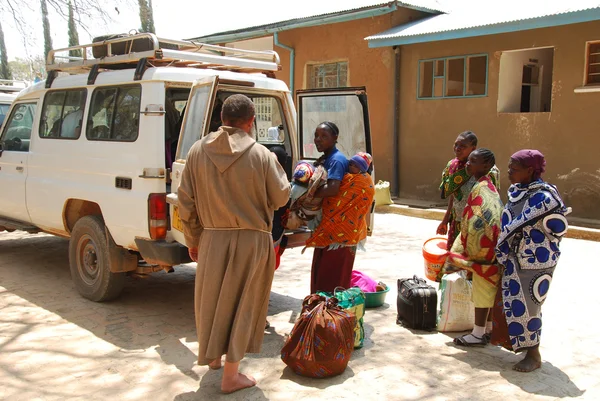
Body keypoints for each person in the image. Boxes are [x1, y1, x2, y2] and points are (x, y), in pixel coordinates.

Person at [177, 94, 290, 393]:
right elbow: (281, 198)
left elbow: (184, 202)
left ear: (222, 119)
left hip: (212, 237)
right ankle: (231, 376)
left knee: (212, 300)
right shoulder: (262, 155)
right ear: (251, 121)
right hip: (252, 240)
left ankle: (213, 358)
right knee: (245, 304)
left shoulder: (197, 151)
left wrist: (193, 238)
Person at [491, 149, 569, 372]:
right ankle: (520, 345)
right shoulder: (516, 191)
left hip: (535, 261)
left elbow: (557, 228)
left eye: (514, 169)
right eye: (510, 167)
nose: (509, 172)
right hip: (513, 258)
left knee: (530, 306)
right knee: (513, 303)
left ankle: (534, 355)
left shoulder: (546, 197)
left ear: (530, 170)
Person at [441, 148, 503, 346]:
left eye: (473, 161)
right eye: (468, 161)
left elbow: (484, 218)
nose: (468, 164)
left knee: (482, 291)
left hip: (485, 251)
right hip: (488, 248)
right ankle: (487, 330)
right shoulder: (483, 186)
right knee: (487, 290)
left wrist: (470, 252)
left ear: (485, 166)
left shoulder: (485, 189)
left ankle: (477, 334)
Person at [307, 126, 375, 293]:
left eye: (324, 136)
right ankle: (322, 313)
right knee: (325, 275)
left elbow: (333, 190)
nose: (318, 139)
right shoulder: (328, 158)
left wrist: (308, 194)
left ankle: (329, 314)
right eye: (316, 135)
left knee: (331, 279)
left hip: (339, 232)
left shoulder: (336, 160)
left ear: (335, 137)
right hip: (331, 230)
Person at [437, 131, 500, 250]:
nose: (457, 149)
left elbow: (493, 201)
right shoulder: (452, 166)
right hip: (457, 222)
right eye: (456, 144)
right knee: (455, 259)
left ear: (473, 148)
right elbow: (451, 195)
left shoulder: (488, 170)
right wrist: (445, 220)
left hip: (477, 226)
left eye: (463, 146)